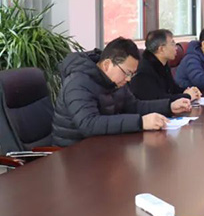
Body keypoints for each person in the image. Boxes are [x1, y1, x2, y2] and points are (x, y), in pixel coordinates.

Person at [52, 37, 192, 147]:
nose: (129, 79)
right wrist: (141, 122)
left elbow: (134, 106)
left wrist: (169, 106)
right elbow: (89, 124)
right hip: (74, 151)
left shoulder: (115, 81)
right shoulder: (78, 83)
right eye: (127, 73)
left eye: (132, 74)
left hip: (103, 146)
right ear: (107, 65)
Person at [129, 30, 201, 102]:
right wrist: (187, 96)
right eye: (172, 44)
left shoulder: (163, 64)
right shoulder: (144, 70)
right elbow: (159, 99)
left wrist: (190, 91)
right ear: (161, 49)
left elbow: (173, 89)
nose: (176, 48)